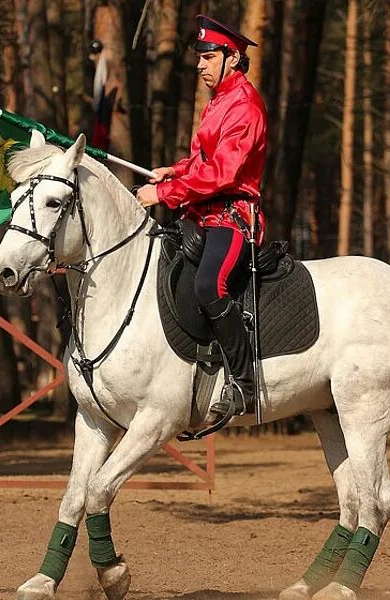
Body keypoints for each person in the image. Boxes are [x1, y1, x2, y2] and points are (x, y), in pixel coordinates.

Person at [135, 14, 267, 418]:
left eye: (208, 57)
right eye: (200, 56)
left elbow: (223, 174)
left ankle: (244, 384)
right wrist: (174, 170)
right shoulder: (218, 102)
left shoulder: (245, 107)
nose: (199, 64)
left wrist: (163, 192)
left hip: (232, 219)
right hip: (201, 213)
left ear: (233, 58)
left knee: (210, 285)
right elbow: (201, 160)